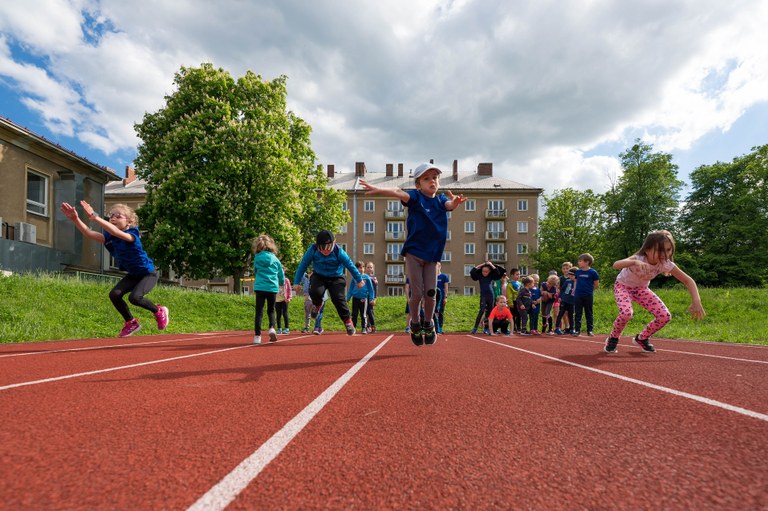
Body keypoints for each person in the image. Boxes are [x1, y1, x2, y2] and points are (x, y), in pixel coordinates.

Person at [360, 162, 466, 346]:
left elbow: (449, 205)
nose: (432, 181)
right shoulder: (416, 197)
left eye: (435, 177)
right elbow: (398, 192)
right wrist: (378, 189)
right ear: (418, 184)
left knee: (431, 293)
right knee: (416, 294)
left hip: (432, 255)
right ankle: (415, 324)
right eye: (427, 179)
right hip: (415, 253)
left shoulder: (441, 200)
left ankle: (429, 323)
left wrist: (455, 203)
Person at [60, 200, 168, 338]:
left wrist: (94, 216)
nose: (113, 218)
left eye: (118, 216)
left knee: (135, 298)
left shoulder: (132, 234)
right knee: (114, 294)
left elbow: (116, 232)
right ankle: (131, 323)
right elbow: (89, 233)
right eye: (111, 216)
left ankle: (159, 311)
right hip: (133, 275)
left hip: (148, 274)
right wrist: (75, 219)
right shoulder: (109, 237)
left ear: (129, 222)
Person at [605, 230, 705, 353]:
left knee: (665, 316)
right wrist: (634, 262)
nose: (664, 254)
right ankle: (613, 338)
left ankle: (642, 338)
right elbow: (616, 264)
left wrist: (696, 301)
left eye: (668, 250)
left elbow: (688, 281)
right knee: (626, 314)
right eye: (659, 250)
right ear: (647, 249)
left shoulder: (665, 264)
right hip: (623, 287)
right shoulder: (639, 258)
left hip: (641, 289)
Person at [293, 230, 365, 335]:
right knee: (315, 292)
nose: (325, 252)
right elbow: (303, 265)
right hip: (319, 276)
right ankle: (317, 305)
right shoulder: (312, 250)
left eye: (328, 248)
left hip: (336, 277)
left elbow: (350, 265)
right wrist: (296, 282)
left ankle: (348, 321)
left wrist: (359, 280)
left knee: (338, 298)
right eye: (322, 249)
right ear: (317, 246)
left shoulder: (338, 251)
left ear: (333, 243)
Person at [250, 234, 284, 344]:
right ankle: (272, 328)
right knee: (271, 310)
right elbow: (280, 273)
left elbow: (255, 270)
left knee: (259, 312)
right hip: (272, 287)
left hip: (260, 287)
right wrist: (282, 283)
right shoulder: (275, 259)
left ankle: (257, 336)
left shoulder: (257, 258)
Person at [470, 261, 504, 334]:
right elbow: (472, 272)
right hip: (483, 296)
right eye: (483, 271)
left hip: (491, 296)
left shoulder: (491, 276)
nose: (484, 273)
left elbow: (498, 273)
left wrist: (491, 265)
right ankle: (475, 327)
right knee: (482, 311)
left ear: (489, 272)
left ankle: (487, 328)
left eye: (486, 272)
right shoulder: (479, 276)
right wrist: (482, 264)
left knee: (490, 312)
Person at [572, 253, 599, 336]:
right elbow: (576, 281)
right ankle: (577, 330)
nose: (578, 263)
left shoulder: (593, 272)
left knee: (589, 313)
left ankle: (590, 330)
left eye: (580, 261)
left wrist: (589, 291)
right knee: (578, 312)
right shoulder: (578, 272)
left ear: (587, 262)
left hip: (588, 295)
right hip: (578, 295)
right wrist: (574, 290)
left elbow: (596, 284)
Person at [347, 261, 375, 334]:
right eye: (359, 268)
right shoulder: (354, 278)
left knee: (364, 314)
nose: (361, 269)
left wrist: (371, 298)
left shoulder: (367, 278)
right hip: (355, 298)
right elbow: (350, 289)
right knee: (354, 314)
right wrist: (347, 298)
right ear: (356, 269)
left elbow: (371, 289)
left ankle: (364, 328)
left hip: (364, 298)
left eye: (362, 267)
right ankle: (354, 328)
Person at [555, 268, 576, 335]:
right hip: (564, 300)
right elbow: (562, 290)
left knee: (571, 315)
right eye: (569, 275)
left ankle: (571, 328)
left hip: (572, 301)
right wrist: (560, 297)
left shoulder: (578, 283)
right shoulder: (567, 281)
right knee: (561, 313)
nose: (570, 277)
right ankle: (557, 327)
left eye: (572, 275)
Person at [274, 269, 292, 334]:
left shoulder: (286, 280)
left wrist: (289, 297)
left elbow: (289, 289)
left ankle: (287, 328)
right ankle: (279, 328)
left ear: (284, 271)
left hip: (285, 299)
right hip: (277, 299)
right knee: (278, 314)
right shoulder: (275, 279)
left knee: (285, 313)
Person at [505, 268, 522, 333]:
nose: (518, 276)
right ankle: (513, 327)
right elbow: (509, 294)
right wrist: (510, 302)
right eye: (517, 274)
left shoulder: (520, 284)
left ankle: (518, 327)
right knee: (513, 315)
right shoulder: (509, 284)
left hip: (519, 302)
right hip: (513, 302)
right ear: (512, 275)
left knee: (519, 315)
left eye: (519, 274)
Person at [435, 262, 450, 333]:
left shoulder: (444, 276)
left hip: (441, 298)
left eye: (436, 266)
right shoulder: (431, 276)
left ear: (440, 267)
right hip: (433, 297)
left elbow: (446, 287)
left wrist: (445, 297)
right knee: (433, 313)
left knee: (440, 312)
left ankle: (440, 328)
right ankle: (433, 328)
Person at [365, 262, 378, 333]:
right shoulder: (363, 277)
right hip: (363, 297)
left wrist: (375, 298)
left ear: (373, 269)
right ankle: (366, 326)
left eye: (371, 267)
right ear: (365, 268)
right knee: (364, 312)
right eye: (368, 267)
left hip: (371, 297)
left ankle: (372, 326)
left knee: (370, 312)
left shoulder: (374, 278)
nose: (369, 269)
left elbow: (376, 289)